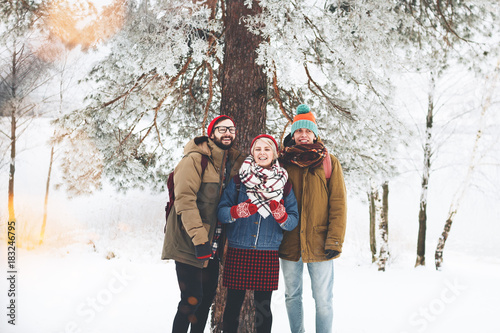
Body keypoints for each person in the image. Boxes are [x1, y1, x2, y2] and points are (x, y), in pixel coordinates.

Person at [162, 115, 245, 333]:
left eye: (231, 129)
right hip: (188, 240)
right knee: (191, 300)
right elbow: (185, 202)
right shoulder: (195, 159)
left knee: (207, 298)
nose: (227, 133)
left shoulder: (232, 161)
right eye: (222, 129)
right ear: (211, 133)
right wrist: (200, 240)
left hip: (214, 242)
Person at [217, 134, 299, 333]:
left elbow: (293, 221)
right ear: (252, 152)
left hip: (267, 252)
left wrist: (282, 216)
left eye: (267, 149)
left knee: (263, 310)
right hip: (239, 249)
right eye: (258, 149)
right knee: (233, 307)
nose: (262, 153)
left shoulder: (284, 184)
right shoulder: (239, 180)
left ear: (275, 153)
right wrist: (236, 211)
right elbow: (221, 212)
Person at [278, 104, 347, 333]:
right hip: (289, 241)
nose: (303, 135)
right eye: (299, 131)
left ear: (315, 134)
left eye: (308, 131)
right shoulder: (283, 163)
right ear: (293, 134)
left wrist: (334, 241)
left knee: (323, 299)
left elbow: (338, 204)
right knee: (292, 296)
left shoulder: (329, 162)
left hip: (320, 243)